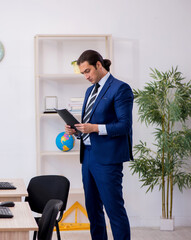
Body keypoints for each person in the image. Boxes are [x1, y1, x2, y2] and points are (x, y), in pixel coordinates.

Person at [65, 50, 133, 240]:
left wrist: (94, 128)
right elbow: (90, 125)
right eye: (83, 73)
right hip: (88, 156)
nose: (86, 77)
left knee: (114, 210)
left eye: (88, 71)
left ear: (98, 65)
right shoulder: (90, 90)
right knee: (93, 210)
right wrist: (77, 130)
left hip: (108, 159)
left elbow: (124, 125)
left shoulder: (120, 89)